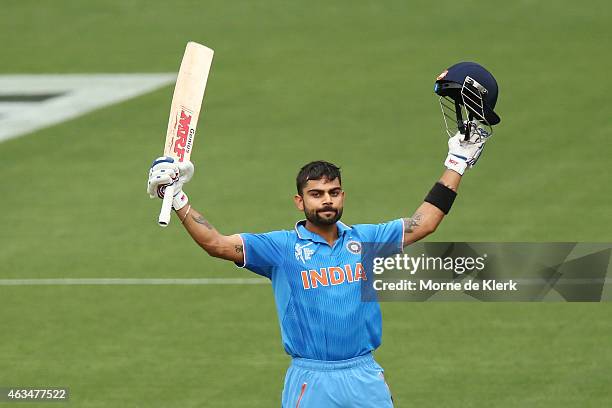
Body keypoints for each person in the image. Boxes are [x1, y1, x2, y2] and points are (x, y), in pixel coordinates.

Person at [146, 62, 501, 407]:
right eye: (317, 194)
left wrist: (456, 163)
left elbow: (424, 222)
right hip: (311, 379)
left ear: (343, 195)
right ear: (300, 202)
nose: (326, 200)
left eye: (333, 192)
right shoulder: (281, 248)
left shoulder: (366, 241)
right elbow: (217, 244)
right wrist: (178, 199)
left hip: (364, 373)